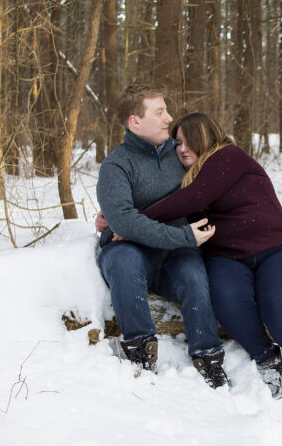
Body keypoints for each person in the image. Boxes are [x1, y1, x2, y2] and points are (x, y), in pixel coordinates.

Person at [136, 112, 282, 397]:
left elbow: (193, 199)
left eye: (186, 141)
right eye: (177, 144)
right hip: (226, 257)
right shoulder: (187, 179)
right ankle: (265, 357)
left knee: (278, 304)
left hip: (276, 249)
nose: (182, 149)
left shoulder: (228, 156)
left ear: (204, 136)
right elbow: (172, 205)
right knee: (228, 302)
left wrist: (134, 221)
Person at [95, 84, 228, 389]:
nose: (170, 117)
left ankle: (208, 353)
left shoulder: (181, 154)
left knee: (192, 272)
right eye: (159, 112)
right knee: (123, 258)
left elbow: (215, 181)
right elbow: (125, 222)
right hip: (131, 254)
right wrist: (181, 235)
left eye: (166, 109)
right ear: (135, 122)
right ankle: (140, 347)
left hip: (175, 255)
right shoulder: (116, 165)